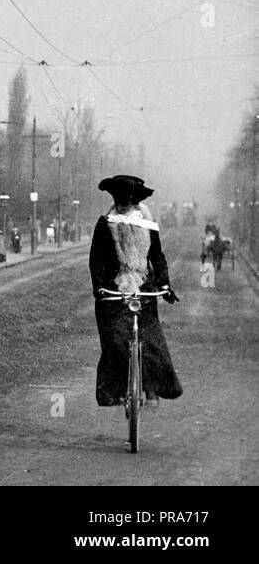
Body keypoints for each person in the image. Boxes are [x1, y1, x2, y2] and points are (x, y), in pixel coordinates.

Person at [89, 174, 182, 408]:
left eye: (129, 202)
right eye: (120, 202)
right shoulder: (105, 224)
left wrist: (164, 284)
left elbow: (157, 256)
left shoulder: (149, 225)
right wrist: (98, 286)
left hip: (143, 285)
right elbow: (96, 260)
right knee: (116, 340)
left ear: (137, 204)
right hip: (113, 287)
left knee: (150, 337)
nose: (124, 206)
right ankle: (117, 390)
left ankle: (152, 388)